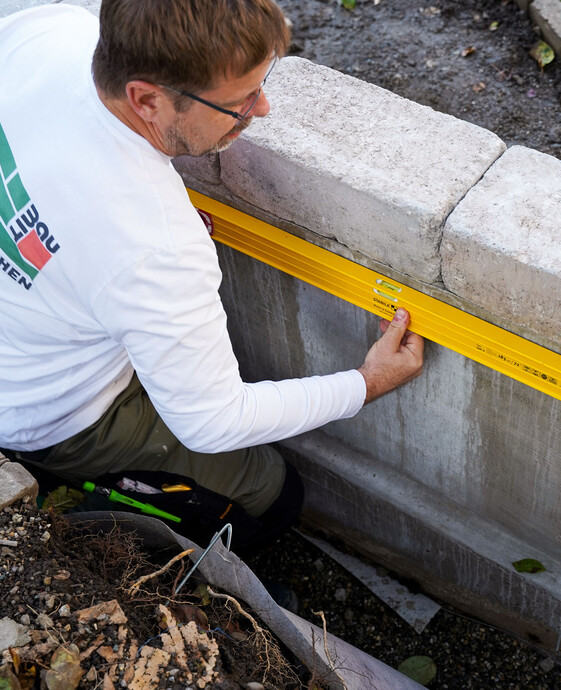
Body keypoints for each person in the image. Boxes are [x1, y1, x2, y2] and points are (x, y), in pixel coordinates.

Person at [0, 0, 424, 547]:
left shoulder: (46, 33)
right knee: (273, 496)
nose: (263, 108)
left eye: (261, 82)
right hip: (49, 414)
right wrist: (365, 384)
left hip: (28, 327)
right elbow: (212, 422)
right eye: (239, 101)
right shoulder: (154, 245)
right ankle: (92, 504)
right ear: (146, 99)